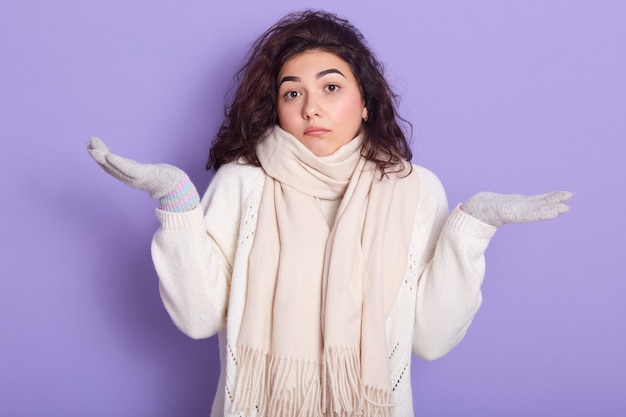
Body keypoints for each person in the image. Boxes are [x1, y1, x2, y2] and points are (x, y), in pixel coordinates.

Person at [87, 10, 571, 417]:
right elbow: (198, 318)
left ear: (365, 102)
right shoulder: (244, 181)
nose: (311, 108)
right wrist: (176, 201)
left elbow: (431, 338)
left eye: (331, 87)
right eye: (292, 92)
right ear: (276, 108)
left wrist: (473, 227)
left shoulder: (414, 189)